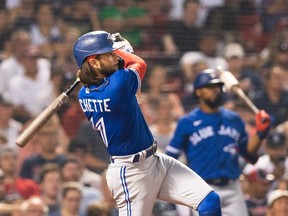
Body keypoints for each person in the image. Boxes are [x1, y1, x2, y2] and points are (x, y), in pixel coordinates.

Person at [73, 30, 222, 215]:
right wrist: (124, 51)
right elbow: (139, 63)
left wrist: (112, 57)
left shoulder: (84, 94)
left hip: (155, 160)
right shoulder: (118, 85)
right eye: (109, 53)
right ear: (94, 62)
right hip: (131, 174)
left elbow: (107, 78)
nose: (114, 55)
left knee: (209, 201)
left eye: (113, 52)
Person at [165, 69, 271, 216]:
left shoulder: (233, 119)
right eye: (209, 88)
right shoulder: (187, 122)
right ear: (198, 92)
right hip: (203, 188)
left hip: (232, 186)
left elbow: (250, 155)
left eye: (217, 87)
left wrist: (260, 133)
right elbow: (171, 158)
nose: (215, 91)